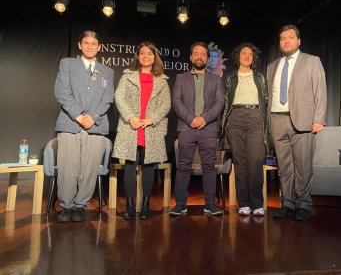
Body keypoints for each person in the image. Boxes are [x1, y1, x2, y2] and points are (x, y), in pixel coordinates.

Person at [267, 24, 327, 221]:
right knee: (284, 168)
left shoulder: (312, 61)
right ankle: (287, 204)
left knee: (303, 167)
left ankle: (303, 204)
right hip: (277, 120)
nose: (286, 40)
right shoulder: (272, 66)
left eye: (290, 37)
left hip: (303, 122)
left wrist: (319, 119)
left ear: (298, 41)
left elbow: (320, 91)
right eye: (282, 38)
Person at [54, 30, 114, 223]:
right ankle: (66, 206)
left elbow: (107, 100)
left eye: (93, 43)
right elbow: (62, 93)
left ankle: (81, 206)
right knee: (67, 166)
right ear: (79, 45)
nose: (89, 46)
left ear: (99, 47)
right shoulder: (67, 64)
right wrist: (79, 115)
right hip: (69, 123)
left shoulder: (108, 71)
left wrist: (92, 117)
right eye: (86, 43)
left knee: (89, 167)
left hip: (96, 125)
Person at [112, 41, 171, 219]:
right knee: (130, 164)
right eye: (142, 53)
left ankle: (146, 203)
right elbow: (119, 98)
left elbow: (166, 104)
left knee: (148, 165)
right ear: (138, 56)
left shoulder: (162, 79)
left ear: (155, 57)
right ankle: (130, 205)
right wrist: (132, 118)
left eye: (149, 53)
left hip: (151, 128)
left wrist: (150, 120)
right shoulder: (127, 76)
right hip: (131, 126)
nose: (146, 56)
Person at [170, 41, 225, 216]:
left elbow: (220, 102)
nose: (199, 56)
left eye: (203, 54)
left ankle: (210, 204)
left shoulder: (216, 79)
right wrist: (191, 119)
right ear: (191, 57)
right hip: (187, 128)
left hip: (208, 128)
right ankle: (180, 204)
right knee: (183, 165)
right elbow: (176, 101)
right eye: (196, 53)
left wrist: (204, 119)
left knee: (209, 166)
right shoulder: (181, 78)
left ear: (207, 58)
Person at [221, 43, 268, 216]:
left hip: (256, 117)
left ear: (253, 58)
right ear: (237, 56)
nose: (247, 56)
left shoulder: (260, 77)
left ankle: (257, 204)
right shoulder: (230, 77)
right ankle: (244, 203)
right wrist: (223, 125)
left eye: (250, 54)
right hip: (236, 117)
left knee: (255, 161)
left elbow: (266, 101)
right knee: (240, 162)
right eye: (244, 53)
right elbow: (226, 103)